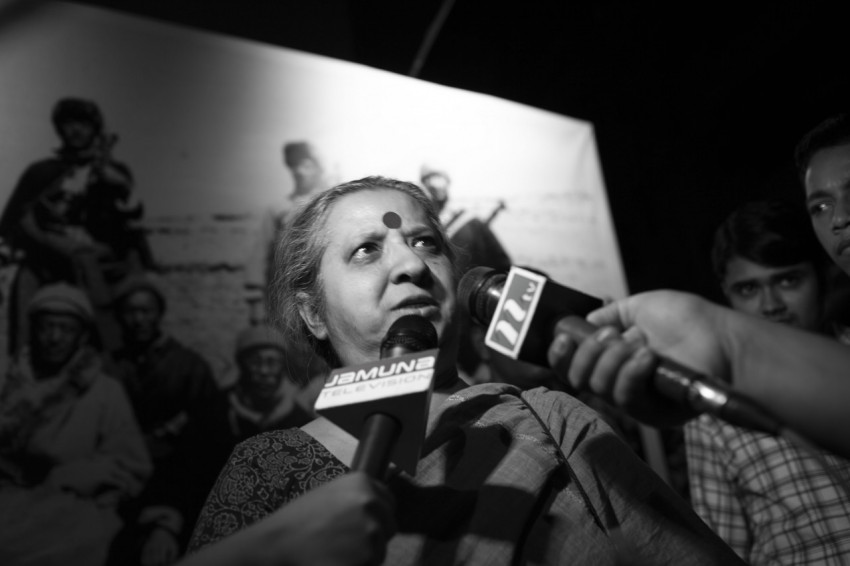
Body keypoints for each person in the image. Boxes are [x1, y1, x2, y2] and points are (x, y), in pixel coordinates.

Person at [186, 176, 742, 565]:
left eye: (425, 243)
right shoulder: (270, 467)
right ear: (312, 312)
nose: (411, 264)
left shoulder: (549, 422)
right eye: (366, 251)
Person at [679, 198, 850, 564]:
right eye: (748, 289)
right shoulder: (712, 407)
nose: (771, 305)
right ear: (726, 293)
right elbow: (722, 551)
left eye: (788, 280)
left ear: (821, 277)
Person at [0, 283, 151, 566]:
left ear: (82, 337)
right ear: (33, 330)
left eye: (66, 329)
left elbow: (130, 465)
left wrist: (75, 475)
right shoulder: (7, 381)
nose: (54, 338)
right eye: (46, 327)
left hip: (73, 506)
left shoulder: (104, 391)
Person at [0, 96, 152, 354]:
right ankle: (23, 365)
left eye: (83, 123)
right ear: (59, 129)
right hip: (47, 261)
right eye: (68, 124)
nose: (76, 130)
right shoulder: (41, 171)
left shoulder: (115, 170)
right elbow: (12, 221)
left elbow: (131, 219)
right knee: (28, 298)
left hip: (102, 261)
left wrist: (116, 184)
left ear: (95, 129)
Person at [106, 272, 223, 566]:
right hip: (123, 482)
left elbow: (210, 441)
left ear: (159, 314)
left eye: (146, 311)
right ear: (119, 317)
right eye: (130, 312)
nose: (139, 320)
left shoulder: (189, 367)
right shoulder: (109, 368)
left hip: (179, 481)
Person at [243, 141, 331, 325]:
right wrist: (256, 303)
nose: (299, 171)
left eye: (306, 165)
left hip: (328, 297)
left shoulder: (334, 206)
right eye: (294, 165)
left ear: (318, 167)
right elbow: (258, 256)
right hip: (287, 302)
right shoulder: (278, 210)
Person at [217, 324, 325, 441]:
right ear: (241, 364)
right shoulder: (218, 410)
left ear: (283, 366)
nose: (264, 370)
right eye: (255, 361)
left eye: (272, 362)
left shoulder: (300, 419)